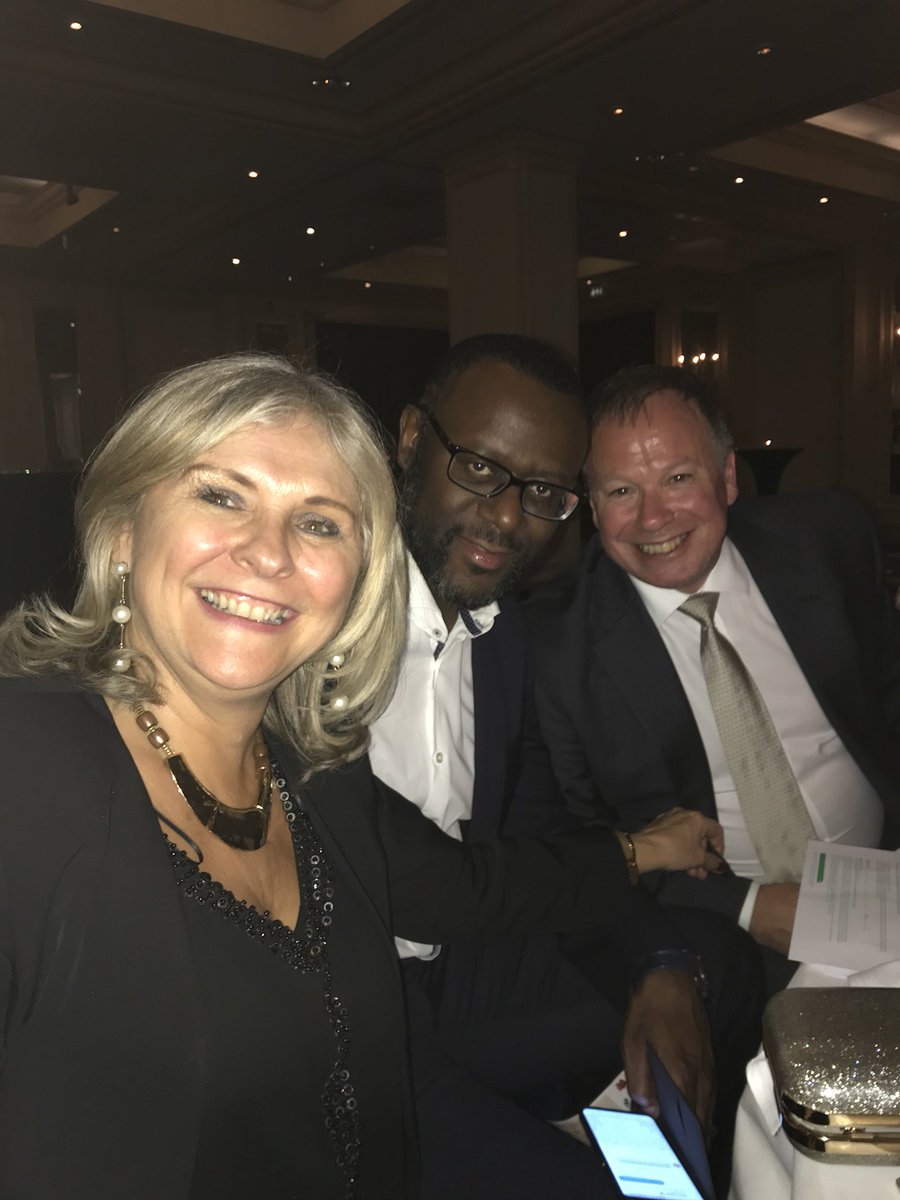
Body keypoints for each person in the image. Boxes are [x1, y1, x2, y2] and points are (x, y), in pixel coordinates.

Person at [0, 353, 724, 1200]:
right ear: (124, 529)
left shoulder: (316, 772)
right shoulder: (28, 768)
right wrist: (642, 853)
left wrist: (659, 953)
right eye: (222, 496)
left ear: (358, 572)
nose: (267, 553)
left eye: (318, 522)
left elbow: (494, 862)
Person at [370, 336, 764, 1198]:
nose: (508, 518)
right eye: (480, 468)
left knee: (710, 967)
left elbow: (543, 825)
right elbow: (412, 879)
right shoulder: (321, 611)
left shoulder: (504, 635)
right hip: (344, 1015)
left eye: (543, 492)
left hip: (454, 975)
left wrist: (660, 964)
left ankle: (629, 1146)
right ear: (411, 438)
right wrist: (638, 852)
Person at [529, 364, 900, 993]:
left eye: (678, 478)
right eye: (621, 491)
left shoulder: (827, 542)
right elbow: (582, 840)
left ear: (727, 476)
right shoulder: (557, 647)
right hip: (724, 936)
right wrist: (747, 907)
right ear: (591, 505)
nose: (653, 518)